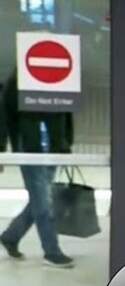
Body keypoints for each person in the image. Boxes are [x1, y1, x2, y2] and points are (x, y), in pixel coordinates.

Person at [0, 70, 75, 268]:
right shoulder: (17, 80)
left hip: (52, 147)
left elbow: (66, 111)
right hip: (30, 147)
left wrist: (66, 144)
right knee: (43, 200)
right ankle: (51, 251)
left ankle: (10, 236)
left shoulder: (58, 80)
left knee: (40, 198)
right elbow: (4, 115)